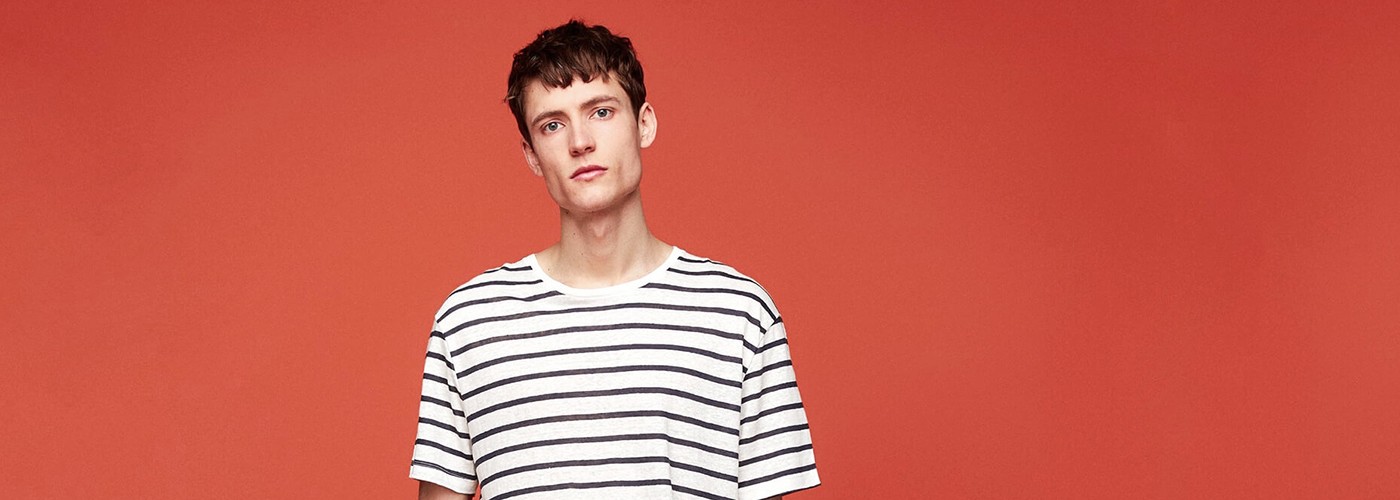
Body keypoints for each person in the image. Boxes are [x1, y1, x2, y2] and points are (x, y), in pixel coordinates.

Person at [410, 20, 819, 500]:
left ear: (644, 124)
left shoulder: (739, 313)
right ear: (532, 155)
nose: (580, 141)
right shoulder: (469, 321)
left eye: (601, 111)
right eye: (552, 125)